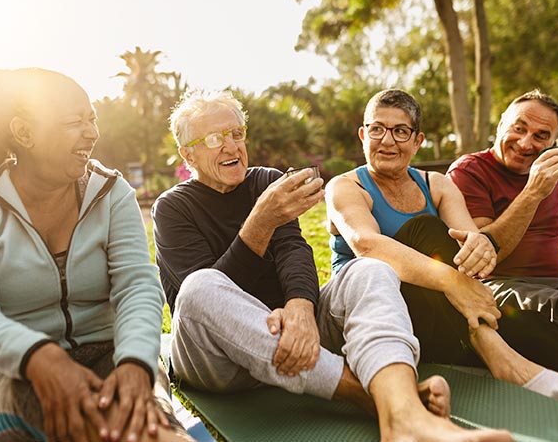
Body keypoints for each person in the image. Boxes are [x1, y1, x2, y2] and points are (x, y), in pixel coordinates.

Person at [153, 89, 513, 442]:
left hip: (299, 339)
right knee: (200, 287)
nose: (232, 146)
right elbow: (211, 307)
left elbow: (294, 249)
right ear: (189, 155)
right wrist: (259, 223)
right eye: (215, 138)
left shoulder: (266, 181)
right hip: (218, 364)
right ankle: (369, 397)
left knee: (371, 269)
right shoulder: (172, 208)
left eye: (236, 133)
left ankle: (405, 418)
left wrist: (300, 306)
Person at [0, 69, 190, 442]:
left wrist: (136, 362)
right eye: (75, 122)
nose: (92, 133)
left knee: (147, 419)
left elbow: (137, 286)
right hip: (4, 376)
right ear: (24, 133)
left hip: (114, 358)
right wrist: (42, 358)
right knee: (53, 417)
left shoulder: (112, 192)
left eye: (92, 120)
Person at [326, 89, 558, 410]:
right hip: (372, 318)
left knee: (526, 320)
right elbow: (367, 245)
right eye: (377, 129)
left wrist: (474, 255)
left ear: (417, 141)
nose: (387, 141)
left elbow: (474, 254)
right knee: (427, 230)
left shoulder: (437, 185)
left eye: (400, 131)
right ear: (363, 135)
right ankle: (502, 359)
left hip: (436, 320)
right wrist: (453, 281)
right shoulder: (346, 186)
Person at [447, 91, 558, 366]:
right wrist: (532, 192)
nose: (525, 144)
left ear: (553, 142)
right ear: (500, 126)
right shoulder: (468, 171)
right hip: (496, 287)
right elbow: (484, 258)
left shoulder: (548, 172)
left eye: (540, 136)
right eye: (518, 129)